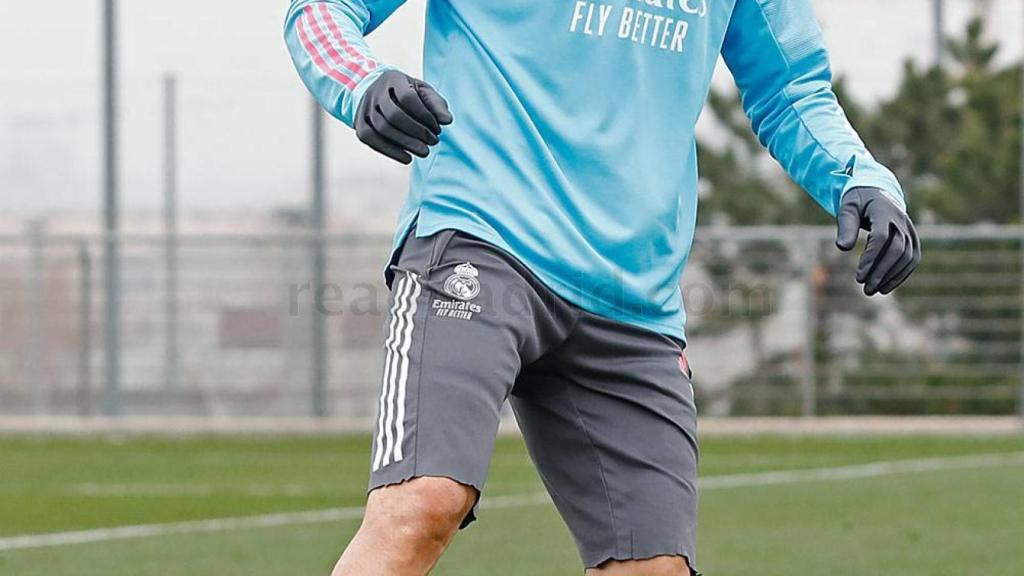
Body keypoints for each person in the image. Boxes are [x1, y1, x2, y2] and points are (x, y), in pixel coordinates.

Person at [284, 0, 921, 574]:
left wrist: (859, 179)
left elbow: (789, 88)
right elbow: (319, 10)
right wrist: (362, 83)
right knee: (422, 504)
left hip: (633, 297)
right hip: (482, 236)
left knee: (654, 570)